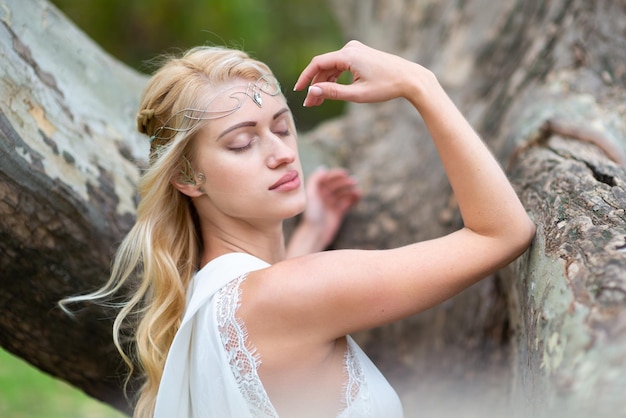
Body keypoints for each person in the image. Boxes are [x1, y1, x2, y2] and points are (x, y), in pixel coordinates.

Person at [62, 40, 535, 418]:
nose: (282, 153)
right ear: (186, 177)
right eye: (243, 143)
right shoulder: (287, 296)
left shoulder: (207, 297)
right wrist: (419, 82)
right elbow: (502, 233)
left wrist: (309, 236)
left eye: (283, 127)